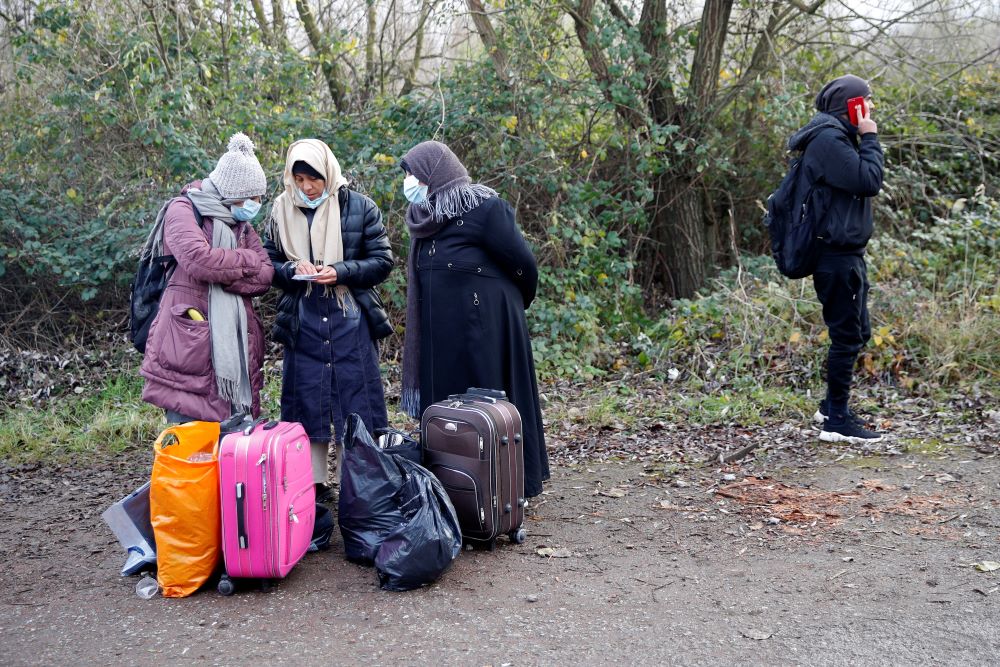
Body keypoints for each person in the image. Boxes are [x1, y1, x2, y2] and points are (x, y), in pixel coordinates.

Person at [399, 140, 549, 497]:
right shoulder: (425, 221)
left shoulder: (483, 207)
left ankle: (508, 485)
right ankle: (454, 484)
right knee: (448, 411)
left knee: (490, 406)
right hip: (441, 338)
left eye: (415, 175)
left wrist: (506, 309)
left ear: (436, 174)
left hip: (485, 333)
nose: (409, 183)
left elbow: (523, 264)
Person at [264, 139, 393, 502]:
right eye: (299, 178)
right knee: (306, 402)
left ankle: (361, 482)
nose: (307, 187)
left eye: (314, 179)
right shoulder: (279, 210)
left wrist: (340, 271)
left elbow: (382, 261)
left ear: (329, 174)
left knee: (358, 402)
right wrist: (292, 269)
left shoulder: (360, 207)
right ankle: (313, 486)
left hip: (350, 319)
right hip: (302, 321)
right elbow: (267, 264)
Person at [141, 133, 274, 424]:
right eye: (252, 196)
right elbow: (199, 261)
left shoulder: (241, 225)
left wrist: (225, 272)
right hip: (189, 344)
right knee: (188, 447)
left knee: (230, 451)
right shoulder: (183, 210)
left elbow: (265, 275)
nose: (256, 203)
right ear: (232, 190)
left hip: (234, 345)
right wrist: (246, 261)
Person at [787, 74, 885, 443]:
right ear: (852, 106)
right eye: (867, 100)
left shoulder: (836, 138)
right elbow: (869, 180)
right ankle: (837, 423)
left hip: (847, 254)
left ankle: (831, 406)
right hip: (836, 256)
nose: (872, 107)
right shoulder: (829, 140)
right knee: (846, 336)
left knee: (858, 332)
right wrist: (870, 136)